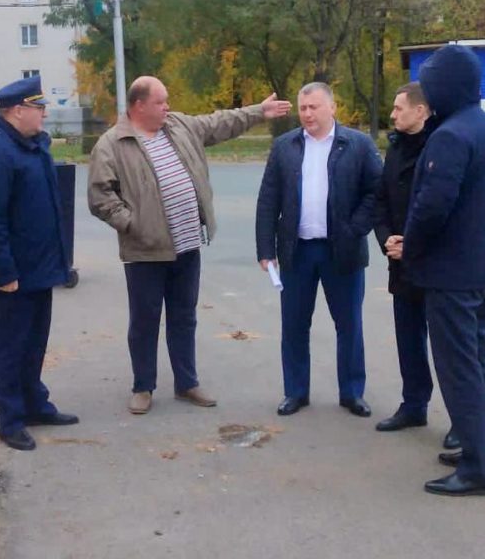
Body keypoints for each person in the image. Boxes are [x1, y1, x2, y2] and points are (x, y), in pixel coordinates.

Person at [88, 77, 291, 415]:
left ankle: (186, 382)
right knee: (144, 322)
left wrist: (259, 111)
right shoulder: (112, 144)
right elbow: (100, 196)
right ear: (139, 105)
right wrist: (133, 224)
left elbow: (219, 122)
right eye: (160, 102)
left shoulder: (178, 126)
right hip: (146, 251)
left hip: (187, 245)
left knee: (184, 317)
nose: (167, 107)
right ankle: (143, 386)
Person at [399, 45, 485, 496]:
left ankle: (479, 469)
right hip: (477, 269)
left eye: (432, 82)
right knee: (477, 362)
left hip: (450, 273)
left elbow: (432, 207)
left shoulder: (450, 135)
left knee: (459, 369)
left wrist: (410, 248)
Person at [255, 82, 382, 418]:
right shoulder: (285, 147)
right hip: (297, 252)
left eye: (314, 107)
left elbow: (376, 192)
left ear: (332, 108)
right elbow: (268, 199)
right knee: (294, 325)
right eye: (303, 108)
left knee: (349, 325)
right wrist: (266, 248)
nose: (307, 114)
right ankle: (296, 392)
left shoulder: (357, 145)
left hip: (343, 251)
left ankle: (352, 392)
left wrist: (355, 229)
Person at [0, 75, 79, 451]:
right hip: (15, 273)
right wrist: (4, 273)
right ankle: (10, 419)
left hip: (40, 267)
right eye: (38, 107)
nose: (44, 113)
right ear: (17, 111)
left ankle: (34, 405)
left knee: (33, 343)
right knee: (10, 347)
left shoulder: (33, 146)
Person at [373, 82, 458, 449]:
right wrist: (387, 240)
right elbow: (380, 200)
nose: (393, 114)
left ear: (421, 111)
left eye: (399, 108)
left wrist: (413, 243)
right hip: (400, 264)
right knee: (408, 340)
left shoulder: (441, 147)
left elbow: (446, 208)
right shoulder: (395, 148)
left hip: (436, 265)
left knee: (447, 348)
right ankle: (414, 405)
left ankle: (461, 419)